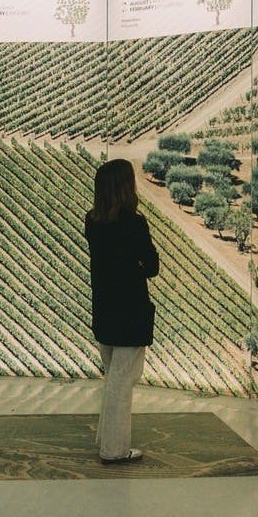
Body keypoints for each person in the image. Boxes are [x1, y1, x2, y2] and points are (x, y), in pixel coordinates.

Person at [85, 158, 160, 463]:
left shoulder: (92, 221)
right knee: (122, 383)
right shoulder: (134, 224)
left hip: (104, 308)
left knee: (114, 379)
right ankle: (114, 450)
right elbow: (152, 266)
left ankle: (107, 439)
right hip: (130, 311)